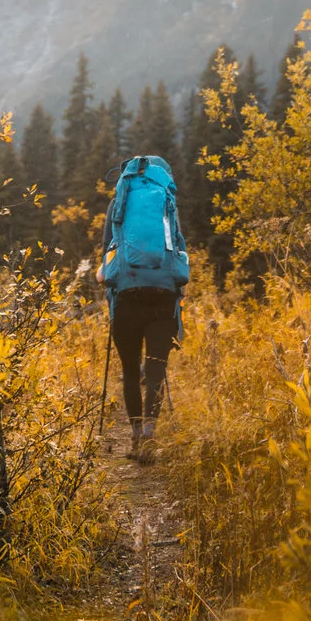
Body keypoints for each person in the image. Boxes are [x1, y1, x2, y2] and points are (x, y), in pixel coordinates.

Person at [101, 152, 191, 462]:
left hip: (126, 299)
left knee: (129, 371)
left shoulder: (118, 204)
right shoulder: (167, 204)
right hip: (162, 299)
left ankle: (136, 438)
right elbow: (178, 250)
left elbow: (106, 262)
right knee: (155, 371)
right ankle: (151, 437)